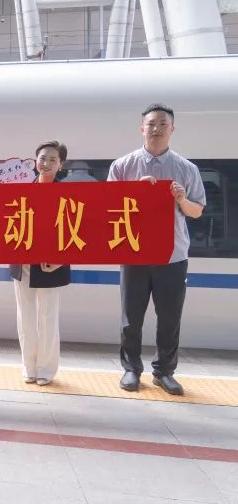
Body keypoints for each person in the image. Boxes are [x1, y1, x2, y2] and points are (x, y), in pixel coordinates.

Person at [109, 104, 205, 396]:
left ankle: (164, 372)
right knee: (131, 318)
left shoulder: (187, 169)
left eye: (163, 124)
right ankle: (131, 369)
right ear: (142, 128)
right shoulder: (123, 166)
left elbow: (197, 211)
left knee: (169, 318)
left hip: (173, 256)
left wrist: (181, 200)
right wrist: (135, 191)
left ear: (172, 129)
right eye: (151, 124)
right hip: (133, 253)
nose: (156, 129)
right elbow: (108, 207)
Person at [10, 140, 72, 386]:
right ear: (35, 161)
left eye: (52, 160)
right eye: (42, 158)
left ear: (61, 165)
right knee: (24, 317)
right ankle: (29, 367)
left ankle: (46, 370)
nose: (46, 163)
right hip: (23, 265)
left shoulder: (68, 194)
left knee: (47, 318)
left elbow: (78, 230)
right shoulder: (21, 191)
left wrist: (62, 260)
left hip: (51, 265)